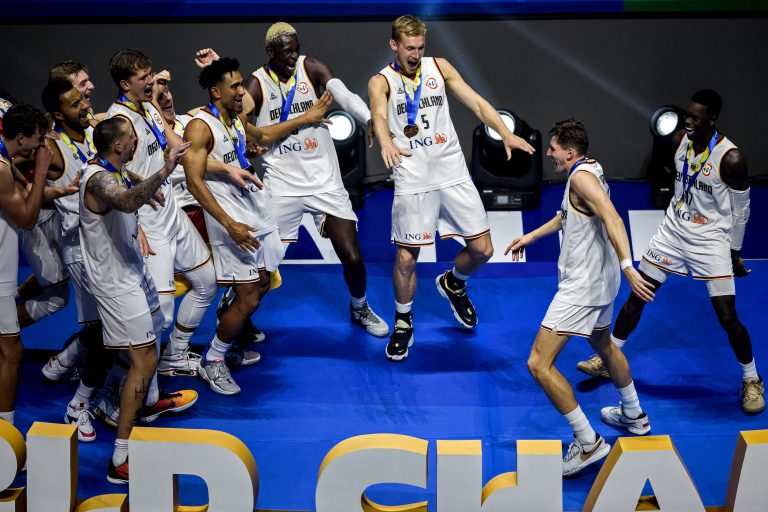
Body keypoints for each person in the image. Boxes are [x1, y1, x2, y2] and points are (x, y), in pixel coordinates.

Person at [575, 90, 763, 414]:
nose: (687, 121)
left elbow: (741, 211)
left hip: (710, 241)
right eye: (687, 115)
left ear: (713, 119)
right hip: (673, 233)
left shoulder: (731, 158)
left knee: (727, 316)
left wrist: (734, 251)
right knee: (638, 296)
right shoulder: (678, 140)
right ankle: (608, 359)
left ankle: (751, 379)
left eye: (695, 117)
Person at [368, 14, 534, 360]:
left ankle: (454, 282)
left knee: (483, 250)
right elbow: (380, 116)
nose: (415, 54)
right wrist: (385, 141)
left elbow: (476, 102)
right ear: (394, 45)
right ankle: (403, 323)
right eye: (409, 48)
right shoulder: (380, 81)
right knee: (405, 258)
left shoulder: (439, 68)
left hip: (451, 171)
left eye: (420, 47)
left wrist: (504, 132)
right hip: (413, 176)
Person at [507, 119, 655, 476]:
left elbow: (613, 218)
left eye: (554, 148)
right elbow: (566, 216)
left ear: (569, 152)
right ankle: (634, 414)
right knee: (603, 343)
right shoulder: (591, 169)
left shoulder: (581, 178)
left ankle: (588, 443)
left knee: (538, 364)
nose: (549, 153)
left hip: (583, 287)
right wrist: (531, 237)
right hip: (601, 283)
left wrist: (628, 265)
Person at [183, 56, 331, 395]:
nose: (241, 90)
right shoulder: (200, 126)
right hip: (232, 222)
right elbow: (194, 180)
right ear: (215, 90)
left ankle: (226, 333)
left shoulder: (233, 117)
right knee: (249, 298)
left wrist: (305, 118)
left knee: (264, 281)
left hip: (253, 210)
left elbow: (262, 132)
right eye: (234, 86)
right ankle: (213, 360)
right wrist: (228, 223)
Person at [240, 23, 389, 337]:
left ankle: (359, 306)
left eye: (295, 48)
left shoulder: (311, 67)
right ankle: (240, 317)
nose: (293, 56)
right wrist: (247, 144)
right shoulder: (256, 84)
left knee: (352, 256)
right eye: (286, 52)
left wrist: (369, 120)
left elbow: (344, 94)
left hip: (325, 182)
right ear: (270, 53)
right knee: (263, 269)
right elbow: (242, 125)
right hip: (282, 185)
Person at [80, 116, 196, 483]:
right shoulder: (99, 180)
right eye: (132, 138)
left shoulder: (111, 167)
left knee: (151, 339)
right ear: (118, 146)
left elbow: (126, 185)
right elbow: (126, 201)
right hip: (116, 284)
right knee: (143, 360)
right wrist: (165, 169)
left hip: (132, 272)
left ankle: (137, 402)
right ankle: (120, 457)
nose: (136, 142)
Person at [105, 49, 218, 379]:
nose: (150, 80)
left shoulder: (148, 107)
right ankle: (135, 384)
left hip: (170, 210)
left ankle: (177, 354)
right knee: (161, 314)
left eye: (150, 73)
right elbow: (112, 172)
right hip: (147, 221)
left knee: (207, 283)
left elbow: (175, 148)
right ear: (125, 84)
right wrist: (137, 212)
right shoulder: (121, 121)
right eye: (143, 78)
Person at [40, 79, 106, 441]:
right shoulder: (51, 147)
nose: (83, 105)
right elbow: (23, 187)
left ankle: (64, 362)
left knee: (113, 326)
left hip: (109, 243)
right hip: (81, 250)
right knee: (103, 332)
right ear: (56, 115)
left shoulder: (94, 132)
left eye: (82, 99)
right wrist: (57, 191)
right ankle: (79, 404)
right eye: (73, 103)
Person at [0, 104, 51, 429]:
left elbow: (21, 195)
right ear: (21, 138)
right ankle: (5, 441)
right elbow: (28, 219)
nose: (42, 146)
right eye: (38, 139)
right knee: (11, 352)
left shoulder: (6, 162)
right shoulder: (2, 169)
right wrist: (43, 169)